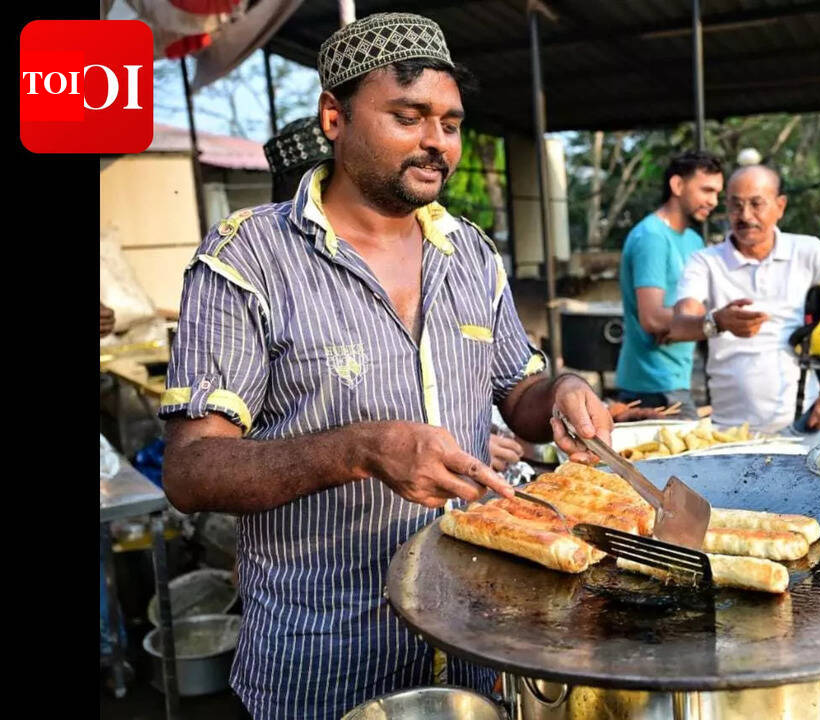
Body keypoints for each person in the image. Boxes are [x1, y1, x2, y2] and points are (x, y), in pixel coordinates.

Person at [158, 13, 612, 718]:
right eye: (408, 116)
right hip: (325, 659)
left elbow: (518, 388)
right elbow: (191, 471)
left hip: (474, 639)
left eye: (451, 124)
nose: (437, 142)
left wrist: (564, 392)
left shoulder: (470, 253)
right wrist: (358, 449)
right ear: (334, 117)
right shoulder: (247, 257)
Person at [265, 118, 525, 472]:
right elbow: (217, 452)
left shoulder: (462, 251)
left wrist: (475, 438)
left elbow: (499, 386)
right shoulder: (260, 265)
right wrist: (356, 452)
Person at [665, 165, 820, 436]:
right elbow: (679, 326)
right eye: (736, 205)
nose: (745, 216)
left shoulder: (808, 252)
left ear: (780, 206)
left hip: (802, 427)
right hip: (729, 433)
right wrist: (717, 322)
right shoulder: (705, 262)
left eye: (756, 204)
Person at [614, 151, 724, 419]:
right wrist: (708, 322)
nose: (714, 201)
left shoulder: (694, 241)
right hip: (651, 385)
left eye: (717, 193)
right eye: (706, 190)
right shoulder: (651, 237)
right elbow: (652, 318)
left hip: (678, 378)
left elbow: (697, 308)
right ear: (677, 185)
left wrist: (683, 323)